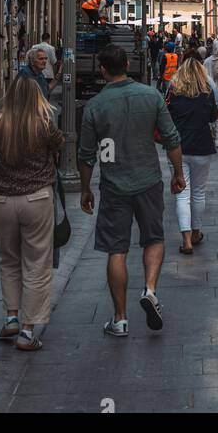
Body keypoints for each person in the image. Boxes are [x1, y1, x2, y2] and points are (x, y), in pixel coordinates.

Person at [78, 44, 185, 339]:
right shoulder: (151, 95)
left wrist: (86, 188)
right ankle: (150, 289)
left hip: (114, 185)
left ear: (102, 70)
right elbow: (171, 138)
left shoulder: (95, 106)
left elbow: (86, 154)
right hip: (148, 180)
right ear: (128, 64)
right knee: (154, 238)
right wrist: (177, 172)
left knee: (116, 249)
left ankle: (120, 319)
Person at [0, 72, 64, 351]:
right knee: (37, 264)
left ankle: (11, 318)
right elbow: (60, 144)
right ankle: (28, 332)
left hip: (1, 200)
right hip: (36, 199)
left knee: (8, 260)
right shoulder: (42, 124)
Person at [166, 56, 218, 254]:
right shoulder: (206, 94)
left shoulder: (173, 92)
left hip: (178, 148)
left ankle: (186, 240)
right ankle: (196, 232)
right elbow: (213, 117)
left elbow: (166, 116)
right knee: (198, 192)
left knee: (182, 193)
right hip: (201, 146)